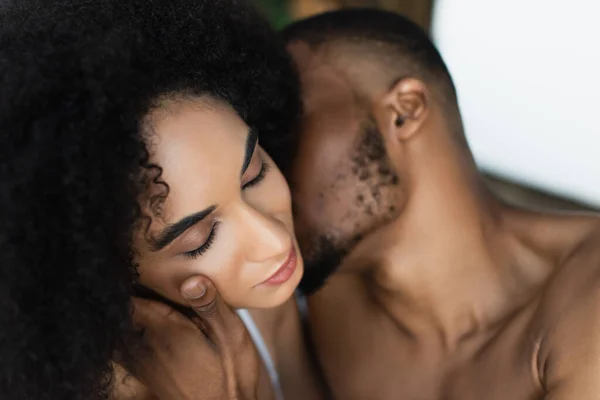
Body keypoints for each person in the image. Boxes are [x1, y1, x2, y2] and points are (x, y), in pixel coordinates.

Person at [0, 0, 324, 399]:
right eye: (201, 239)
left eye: (254, 173)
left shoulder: (271, 288)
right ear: (111, 274)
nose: (274, 240)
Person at [280, 8, 600, 399]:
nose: (264, 170)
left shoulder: (587, 295)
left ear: (404, 111)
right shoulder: (324, 298)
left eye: (287, 125)